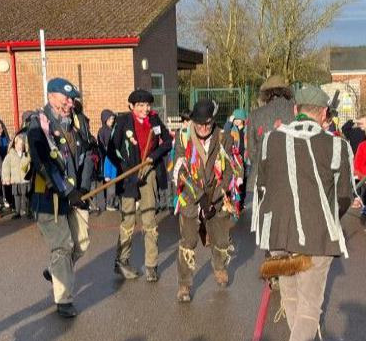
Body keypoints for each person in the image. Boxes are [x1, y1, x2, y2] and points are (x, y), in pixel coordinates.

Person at [254, 85, 354, 341]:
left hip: (279, 235)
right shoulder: (336, 146)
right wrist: (328, 218)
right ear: (323, 113)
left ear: (296, 110)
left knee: (291, 299)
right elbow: (344, 196)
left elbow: (262, 185)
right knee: (310, 306)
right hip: (317, 235)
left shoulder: (271, 140)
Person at [28, 78, 94, 317]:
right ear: (51, 96)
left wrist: (84, 188)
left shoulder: (78, 123)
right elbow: (43, 163)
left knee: (82, 242)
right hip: (49, 198)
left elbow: (88, 153)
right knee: (63, 246)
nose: (70, 102)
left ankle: (54, 269)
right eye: (65, 98)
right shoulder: (38, 124)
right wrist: (68, 190)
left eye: (71, 98)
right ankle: (64, 299)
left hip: (76, 194)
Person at [172, 100, 244, 302]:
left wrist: (217, 194)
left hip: (217, 197)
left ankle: (219, 266)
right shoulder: (183, 137)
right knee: (189, 242)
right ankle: (184, 285)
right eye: (200, 123)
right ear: (193, 121)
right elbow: (179, 170)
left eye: (208, 123)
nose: (204, 128)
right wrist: (200, 196)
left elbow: (232, 169)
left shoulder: (224, 138)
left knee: (221, 240)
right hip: (190, 198)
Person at [108, 89, 172, 281]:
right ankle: (122, 261)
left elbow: (167, 142)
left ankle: (151, 265)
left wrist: (153, 156)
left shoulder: (154, 120)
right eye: (141, 105)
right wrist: (126, 168)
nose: (146, 109)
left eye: (148, 105)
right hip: (129, 175)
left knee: (150, 219)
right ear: (132, 107)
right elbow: (112, 150)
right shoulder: (122, 122)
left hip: (149, 172)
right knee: (128, 220)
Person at [247, 75, 296, 211]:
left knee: (257, 228)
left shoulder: (255, 115)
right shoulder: (296, 111)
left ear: (266, 94)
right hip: (289, 182)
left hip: (259, 180)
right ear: (286, 92)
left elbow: (252, 152)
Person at [2, 133, 31, 219]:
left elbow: (30, 165)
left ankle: (27, 211)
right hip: (15, 180)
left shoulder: (27, 154)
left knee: (26, 196)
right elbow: (5, 166)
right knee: (16, 196)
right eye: (18, 144)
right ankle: (17, 211)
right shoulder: (10, 155)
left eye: (22, 145)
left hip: (25, 180)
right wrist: (6, 178)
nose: (20, 147)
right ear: (15, 144)